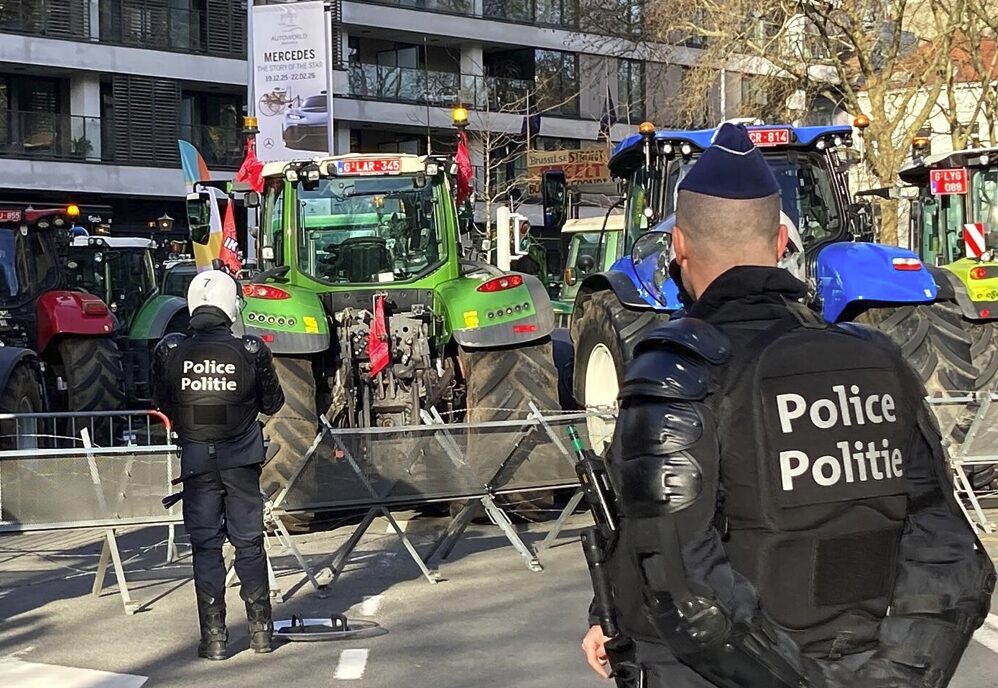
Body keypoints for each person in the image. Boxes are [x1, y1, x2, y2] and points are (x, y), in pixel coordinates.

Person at [580, 123, 995, 687]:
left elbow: (688, 596)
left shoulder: (678, 370)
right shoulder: (878, 359)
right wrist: (897, 677)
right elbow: (951, 557)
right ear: (782, 242)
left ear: (677, 246)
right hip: (868, 663)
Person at [153, 269, 285, 660]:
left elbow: (164, 402)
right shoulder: (250, 349)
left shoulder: (170, 350)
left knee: (206, 547)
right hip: (241, 461)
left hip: (196, 463)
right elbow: (273, 403)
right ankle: (261, 632)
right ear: (230, 306)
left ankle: (214, 639)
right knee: (249, 543)